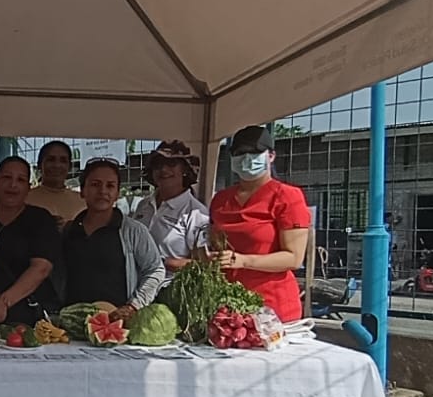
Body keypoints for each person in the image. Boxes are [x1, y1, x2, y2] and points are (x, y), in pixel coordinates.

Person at [207, 125, 312, 323]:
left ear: (271, 156)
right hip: (226, 306)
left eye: (254, 152)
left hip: (272, 309)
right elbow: (214, 243)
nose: (246, 158)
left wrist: (244, 261)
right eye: (240, 153)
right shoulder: (220, 200)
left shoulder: (287, 196)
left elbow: (294, 258)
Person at [61, 159, 165, 319]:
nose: (102, 191)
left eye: (110, 186)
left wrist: (134, 306)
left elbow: (155, 270)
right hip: (72, 323)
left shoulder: (133, 231)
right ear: (82, 191)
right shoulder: (69, 231)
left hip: (117, 322)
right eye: (95, 184)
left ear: (117, 193)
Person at [0, 155, 62, 326]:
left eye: (20, 180)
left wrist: (4, 302)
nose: (13, 185)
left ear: (28, 188)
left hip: (27, 320)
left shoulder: (40, 219)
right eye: (6, 177)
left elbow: (41, 268)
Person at [130, 141, 210, 290]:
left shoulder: (196, 213)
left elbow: (203, 264)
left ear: (185, 169)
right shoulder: (143, 205)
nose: (164, 169)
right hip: (135, 288)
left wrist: (159, 261)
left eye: (172, 163)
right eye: (158, 164)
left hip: (170, 291)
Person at [26, 140, 84, 227]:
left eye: (63, 160)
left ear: (69, 166)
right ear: (39, 165)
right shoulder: (25, 199)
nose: (57, 165)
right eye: (51, 159)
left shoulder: (82, 201)